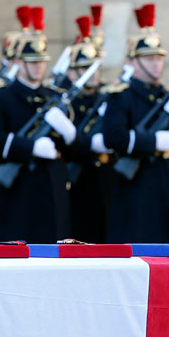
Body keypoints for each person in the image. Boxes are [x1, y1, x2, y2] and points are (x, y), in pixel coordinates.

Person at [102, 3, 169, 243]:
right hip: (140, 182)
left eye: (159, 57)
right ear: (133, 62)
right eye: (149, 58)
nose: (157, 63)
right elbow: (113, 137)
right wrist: (153, 141)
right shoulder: (121, 94)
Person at [0, 6, 72, 243]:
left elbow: (74, 148)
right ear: (18, 62)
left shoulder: (55, 97)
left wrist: (70, 133)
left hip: (52, 186)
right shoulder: (0, 96)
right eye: (31, 61)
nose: (38, 66)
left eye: (41, 61)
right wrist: (29, 147)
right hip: (18, 188)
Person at [64, 14, 111, 243]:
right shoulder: (67, 102)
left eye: (93, 68)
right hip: (78, 177)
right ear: (71, 72)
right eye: (83, 68)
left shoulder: (107, 96)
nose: (90, 74)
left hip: (106, 176)